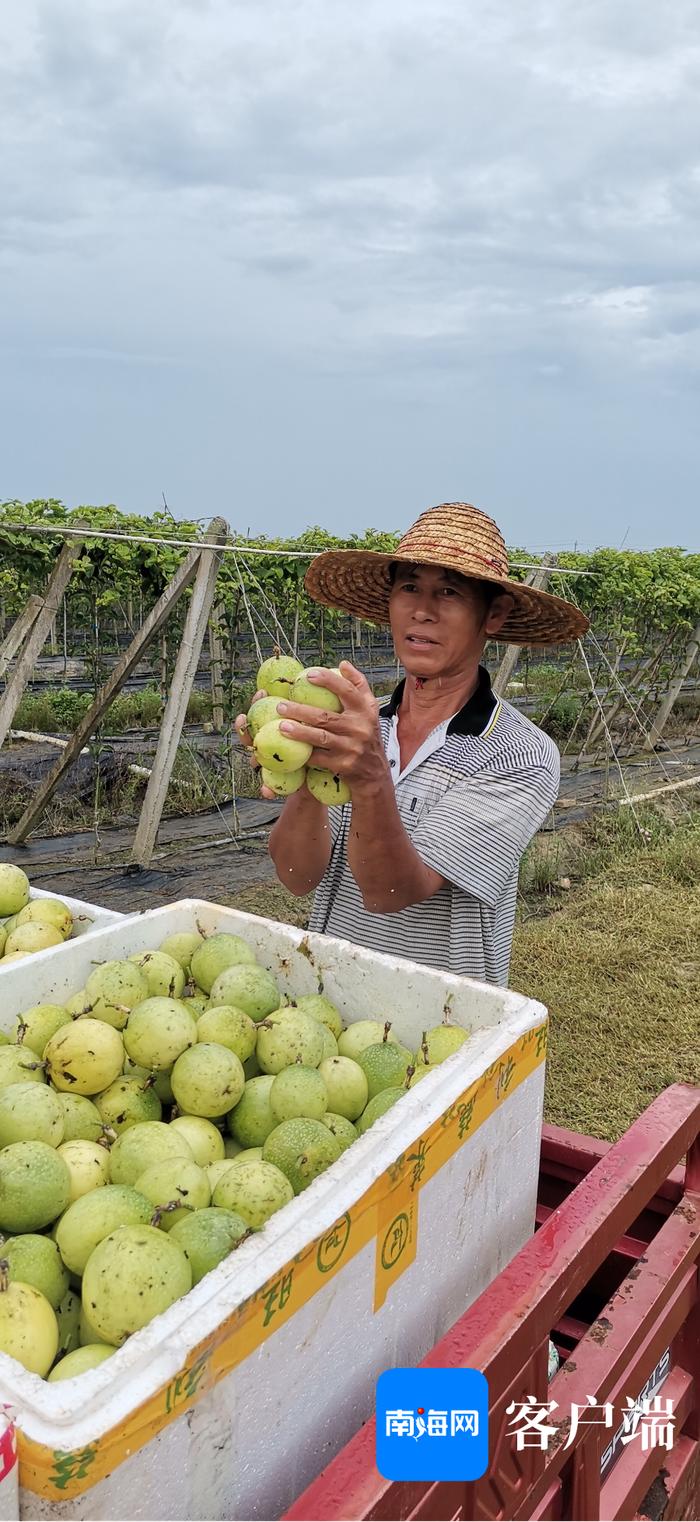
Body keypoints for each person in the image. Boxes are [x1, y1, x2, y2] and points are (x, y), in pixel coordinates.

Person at [235, 501, 588, 986]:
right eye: (409, 587)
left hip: (442, 1016)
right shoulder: (357, 726)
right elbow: (297, 876)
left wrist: (369, 776)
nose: (423, 610)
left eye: (449, 591)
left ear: (495, 614)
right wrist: (302, 760)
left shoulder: (519, 753)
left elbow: (392, 892)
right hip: (330, 998)